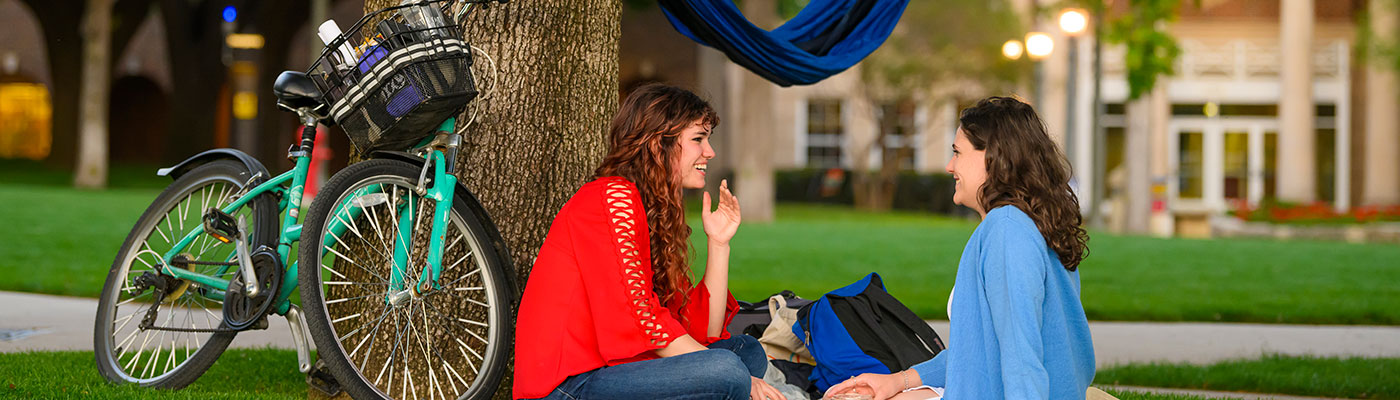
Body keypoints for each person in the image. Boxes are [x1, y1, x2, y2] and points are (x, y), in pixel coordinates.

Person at [513, 83, 787, 400]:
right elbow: (642, 322)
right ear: (658, 145)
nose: (709, 152)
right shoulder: (612, 197)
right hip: (568, 386)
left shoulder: (649, 208)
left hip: (613, 372)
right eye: (698, 139)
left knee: (746, 351)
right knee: (727, 370)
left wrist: (719, 243)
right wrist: (732, 373)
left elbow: (702, 332)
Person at [826, 96, 1096, 400]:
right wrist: (899, 381)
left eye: (957, 152)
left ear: (994, 157)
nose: (949, 165)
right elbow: (977, 354)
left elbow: (1022, 355)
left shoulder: (1007, 230)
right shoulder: (1027, 224)